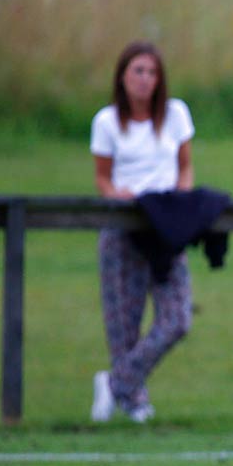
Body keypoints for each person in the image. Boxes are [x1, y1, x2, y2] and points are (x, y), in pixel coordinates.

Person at [89, 41, 195, 423]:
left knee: (177, 319)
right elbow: (103, 178)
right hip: (124, 228)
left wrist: (180, 202)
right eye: (138, 71)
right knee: (124, 323)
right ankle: (135, 401)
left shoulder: (175, 115)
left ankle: (114, 383)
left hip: (165, 227)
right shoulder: (106, 122)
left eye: (152, 72)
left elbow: (185, 168)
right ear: (122, 75)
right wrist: (121, 197)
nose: (145, 79)